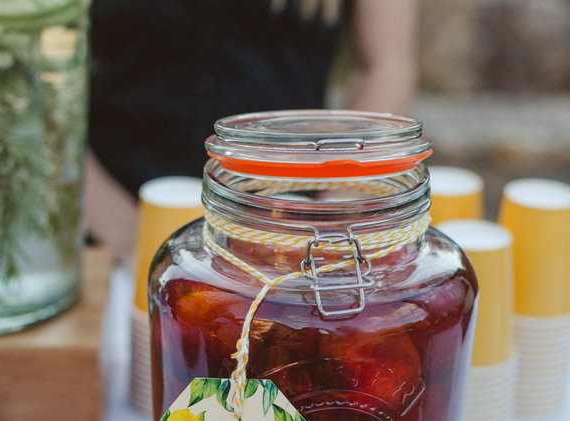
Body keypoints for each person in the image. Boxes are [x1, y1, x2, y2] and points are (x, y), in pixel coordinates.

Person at [86, 0, 419, 263]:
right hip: (109, 219)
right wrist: (121, 230)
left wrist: (331, 209)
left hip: (289, 223)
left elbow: (387, 65)